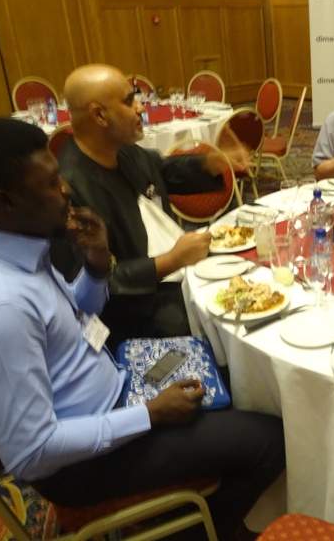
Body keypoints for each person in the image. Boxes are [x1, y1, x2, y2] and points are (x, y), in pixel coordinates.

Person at [0, 118, 285, 541]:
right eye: (52, 183)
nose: (66, 190)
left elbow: (71, 322)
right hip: (83, 462)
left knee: (243, 379)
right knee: (273, 439)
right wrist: (148, 414)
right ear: (6, 201)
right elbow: (32, 453)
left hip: (115, 387)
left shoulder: (8, 243)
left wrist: (95, 264)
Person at [52, 64, 249, 350]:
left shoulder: (122, 149)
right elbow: (88, 284)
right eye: (129, 100)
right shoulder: (69, 189)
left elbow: (160, 171)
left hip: (172, 275)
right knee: (224, 315)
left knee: (241, 282)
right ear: (99, 115)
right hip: (131, 311)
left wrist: (207, 163)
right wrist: (171, 260)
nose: (141, 108)